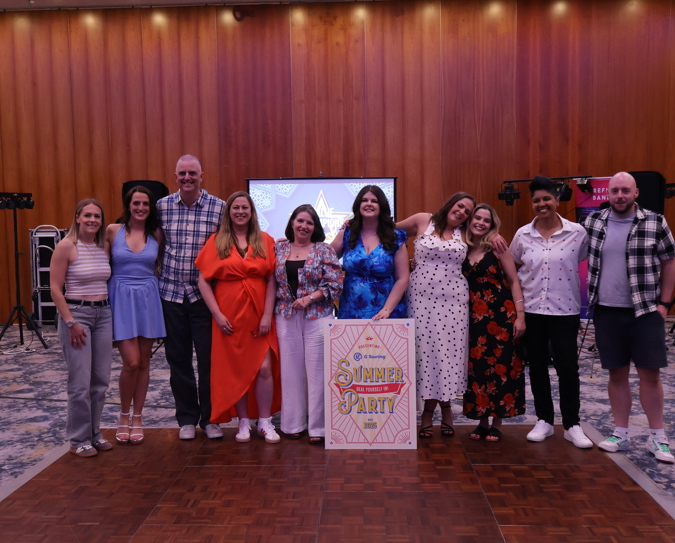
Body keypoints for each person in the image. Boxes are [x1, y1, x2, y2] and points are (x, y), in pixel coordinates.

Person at [583, 172, 675, 463]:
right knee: (617, 374)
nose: (620, 196)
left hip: (645, 311)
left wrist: (664, 304)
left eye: (625, 190)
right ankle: (620, 433)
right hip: (607, 311)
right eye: (615, 191)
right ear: (608, 194)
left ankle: (657, 437)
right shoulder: (594, 222)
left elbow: (669, 261)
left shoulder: (655, 221)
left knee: (650, 375)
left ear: (636, 193)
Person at [510, 176, 592, 448]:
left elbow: (583, 260)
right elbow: (513, 266)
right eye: (536, 200)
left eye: (546, 198)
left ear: (557, 200)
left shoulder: (577, 233)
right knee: (537, 368)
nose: (542, 204)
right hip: (532, 311)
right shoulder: (522, 235)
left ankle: (572, 424)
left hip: (564, 311)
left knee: (568, 368)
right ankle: (544, 420)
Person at [196, 191, 282, 443]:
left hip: (259, 314)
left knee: (264, 368)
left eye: (245, 207)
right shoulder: (217, 241)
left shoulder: (265, 240)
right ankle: (243, 422)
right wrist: (217, 314)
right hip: (229, 316)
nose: (241, 211)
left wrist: (267, 315)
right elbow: (203, 281)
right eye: (236, 207)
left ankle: (264, 421)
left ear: (252, 212)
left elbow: (272, 280)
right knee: (237, 370)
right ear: (229, 212)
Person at [396, 192, 476, 438]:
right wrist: (353, 224)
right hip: (421, 300)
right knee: (425, 355)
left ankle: (444, 408)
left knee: (449, 356)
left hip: (454, 302)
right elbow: (388, 230)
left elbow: (488, 236)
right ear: (451, 203)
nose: (462, 212)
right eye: (460, 206)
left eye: (467, 212)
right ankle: (430, 410)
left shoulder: (466, 232)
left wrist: (496, 238)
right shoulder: (424, 220)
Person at [157, 155, 226, 440]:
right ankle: (186, 418)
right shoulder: (162, 207)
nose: (187, 178)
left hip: (204, 297)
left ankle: (210, 419)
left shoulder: (219, 207)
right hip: (171, 294)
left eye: (192, 173)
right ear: (175, 176)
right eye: (182, 173)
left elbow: (232, 243)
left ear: (201, 176)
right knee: (178, 360)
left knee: (209, 361)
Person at [273, 205, 343, 444]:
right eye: (300, 221)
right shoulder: (279, 248)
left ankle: (319, 427)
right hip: (286, 316)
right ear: (292, 222)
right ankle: (292, 424)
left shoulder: (324, 250)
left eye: (309, 223)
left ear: (315, 227)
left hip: (318, 316)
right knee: (290, 372)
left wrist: (310, 298)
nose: (304, 226)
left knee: (317, 373)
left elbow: (335, 284)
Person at [50, 199, 113, 458]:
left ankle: (94, 433)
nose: (92, 220)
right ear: (77, 217)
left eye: (97, 216)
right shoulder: (66, 246)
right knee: (80, 383)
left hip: (104, 315)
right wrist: (70, 322)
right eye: (87, 215)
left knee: (101, 381)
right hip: (77, 315)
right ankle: (79, 439)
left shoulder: (103, 245)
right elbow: (55, 289)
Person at [107, 186, 166, 445]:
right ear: (128, 205)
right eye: (136, 203)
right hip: (120, 297)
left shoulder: (157, 234)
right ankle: (123, 415)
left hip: (148, 298)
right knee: (130, 362)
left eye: (145, 204)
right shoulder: (112, 231)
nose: (141, 208)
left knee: (144, 362)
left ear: (151, 208)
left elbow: (159, 265)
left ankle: (138, 417)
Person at [462, 204, 526, 442]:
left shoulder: (498, 247)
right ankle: (482, 421)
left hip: (501, 316)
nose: (480, 223)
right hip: (473, 318)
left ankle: (497, 422)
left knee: (501, 368)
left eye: (486, 220)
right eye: (477, 218)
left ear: (492, 225)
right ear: (469, 221)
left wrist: (521, 315)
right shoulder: (462, 247)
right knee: (477, 369)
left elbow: (514, 281)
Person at [331, 185, 409, 320]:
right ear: (358, 205)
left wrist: (387, 310)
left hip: (387, 313)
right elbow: (323, 258)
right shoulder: (346, 234)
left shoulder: (395, 237)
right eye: (364, 200)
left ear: (382, 206)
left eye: (374, 201)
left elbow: (402, 279)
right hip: (351, 311)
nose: (369, 204)